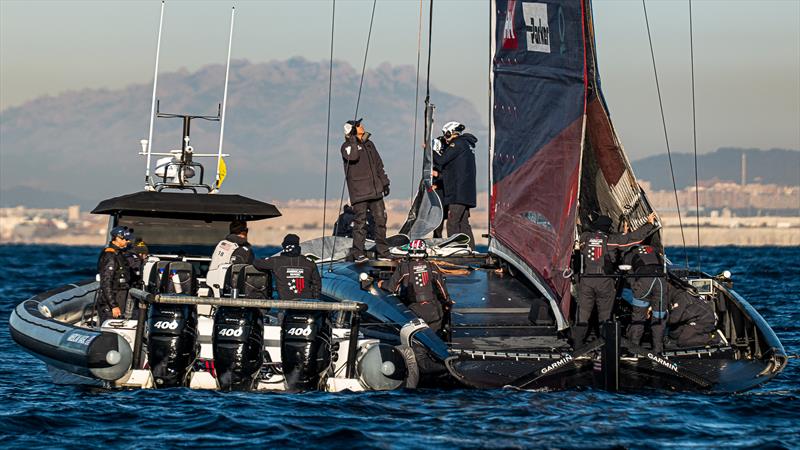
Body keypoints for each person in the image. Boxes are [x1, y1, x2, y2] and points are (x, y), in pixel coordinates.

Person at [571, 212, 658, 349]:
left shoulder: (584, 238)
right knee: (605, 317)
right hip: (604, 281)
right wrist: (649, 224)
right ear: (607, 228)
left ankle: (577, 348)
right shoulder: (610, 239)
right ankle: (604, 347)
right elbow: (633, 239)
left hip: (586, 281)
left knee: (582, 316)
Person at [340, 118, 390, 262]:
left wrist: (385, 182)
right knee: (360, 223)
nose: (362, 126)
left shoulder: (369, 144)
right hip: (359, 193)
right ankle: (358, 253)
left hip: (375, 191)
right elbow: (353, 156)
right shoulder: (346, 147)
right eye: (359, 125)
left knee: (381, 221)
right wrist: (354, 140)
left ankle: (383, 252)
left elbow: (378, 164)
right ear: (353, 130)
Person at [379, 239, 451, 334]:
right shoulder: (432, 266)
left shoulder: (403, 267)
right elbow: (442, 290)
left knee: (417, 340)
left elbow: (392, 288)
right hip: (433, 311)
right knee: (435, 338)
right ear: (424, 251)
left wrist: (381, 283)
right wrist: (448, 303)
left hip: (414, 312)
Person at [432, 122, 477, 249]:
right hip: (467, 192)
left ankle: (455, 249)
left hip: (457, 192)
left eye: (446, 134)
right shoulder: (467, 145)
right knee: (463, 223)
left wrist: (431, 150)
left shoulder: (457, 144)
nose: (445, 138)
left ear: (450, 133)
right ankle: (471, 250)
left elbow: (441, 160)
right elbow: (454, 169)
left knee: (452, 222)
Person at [624, 244, 668, 354]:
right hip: (661, 282)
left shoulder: (629, 255)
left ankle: (633, 351)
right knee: (658, 317)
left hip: (644, 282)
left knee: (638, 318)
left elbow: (628, 275)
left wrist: (634, 287)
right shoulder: (655, 250)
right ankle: (658, 351)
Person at [254, 234, 321, 299]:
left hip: (286, 304)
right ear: (298, 246)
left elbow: (257, 263)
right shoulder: (309, 262)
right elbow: (317, 284)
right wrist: (315, 300)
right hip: (307, 304)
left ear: (284, 246)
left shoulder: (276, 261)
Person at [96, 226, 133, 324]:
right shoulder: (110, 255)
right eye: (125, 239)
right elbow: (106, 282)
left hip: (120, 297)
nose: (127, 241)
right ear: (116, 238)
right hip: (111, 302)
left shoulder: (120, 254)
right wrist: (113, 305)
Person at [666, 284, 719, 348]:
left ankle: (712, 338)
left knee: (683, 341)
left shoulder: (681, 298)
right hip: (693, 318)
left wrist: (658, 319)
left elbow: (673, 319)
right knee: (674, 334)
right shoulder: (676, 294)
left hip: (704, 320)